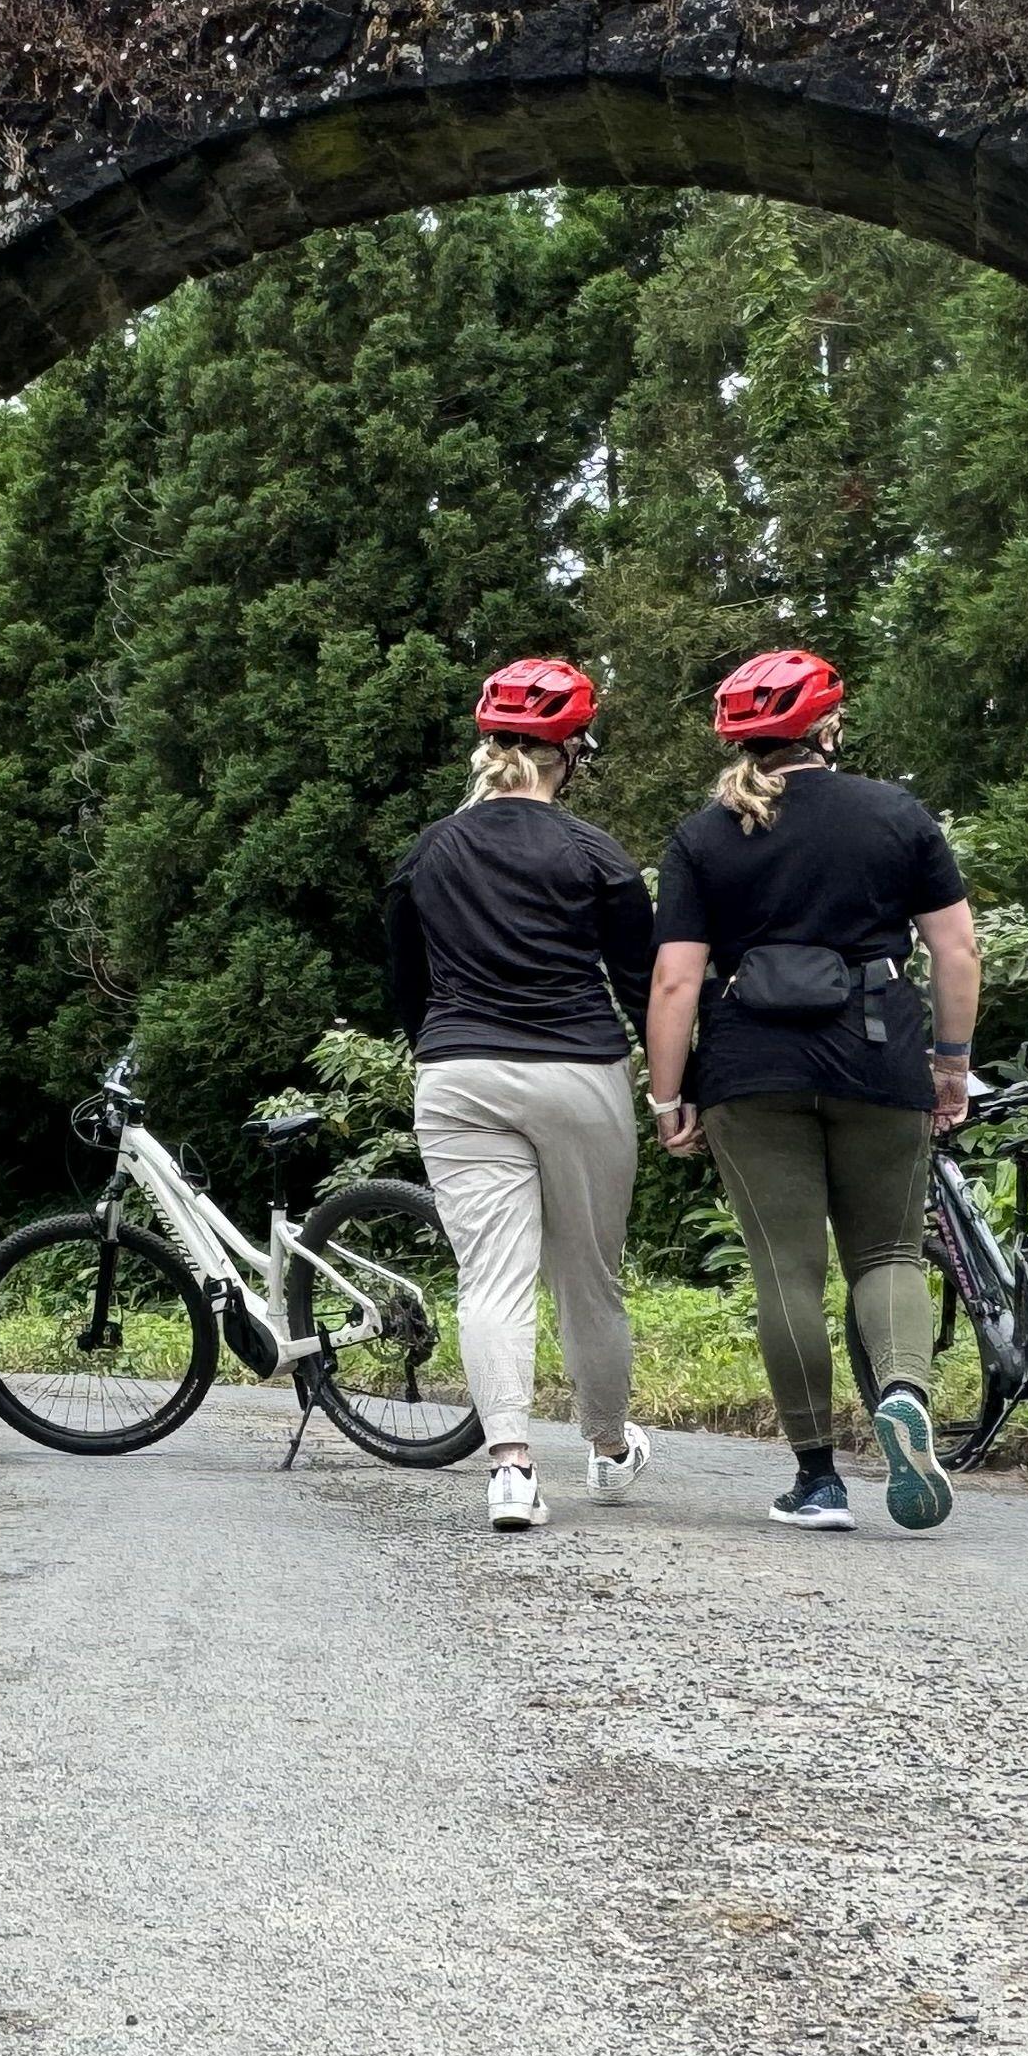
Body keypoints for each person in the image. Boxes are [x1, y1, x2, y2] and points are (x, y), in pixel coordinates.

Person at [640, 648, 980, 1535]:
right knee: (889, 1256)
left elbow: (676, 981)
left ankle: (818, 1481)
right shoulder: (893, 813)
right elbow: (956, 952)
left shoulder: (704, 834)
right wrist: (949, 1063)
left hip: (749, 1073)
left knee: (786, 1270)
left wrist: (666, 1097)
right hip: (879, 1058)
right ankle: (902, 1393)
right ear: (827, 727)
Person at [382, 655, 656, 1535]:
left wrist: (442, 1040)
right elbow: (643, 979)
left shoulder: (430, 850)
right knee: (590, 1278)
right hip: (581, 1070)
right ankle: (609, 1450)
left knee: (489, 1278)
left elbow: (403, 984)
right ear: (569, 753)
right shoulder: (593, 853)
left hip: (459, 1072)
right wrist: (676, 1086)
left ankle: (509, 1469)